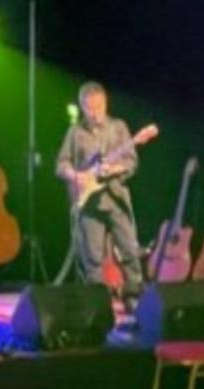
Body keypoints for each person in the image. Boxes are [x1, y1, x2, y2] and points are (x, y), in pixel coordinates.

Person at [55, 81, 144, 310]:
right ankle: (98, 303)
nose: (95, 113)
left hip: (115, 199)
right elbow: (61, 164)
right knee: (91, 257)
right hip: (89, 203)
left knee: (129, 249)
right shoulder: (75, 133)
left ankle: (133, 295)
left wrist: (114, 169)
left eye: (99, 107)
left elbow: (131, 162)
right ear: (82, 107)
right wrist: (75, 175)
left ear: (106, 103)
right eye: (89, 108)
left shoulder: (119, 128)